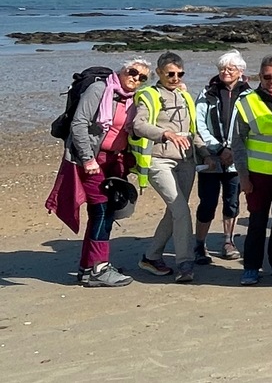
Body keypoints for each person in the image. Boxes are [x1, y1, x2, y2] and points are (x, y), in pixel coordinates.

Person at [54, 58, 151, 286]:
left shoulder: (133, 99)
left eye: (142, 77)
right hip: (92, 159)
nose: (136, 78)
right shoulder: (100, 89)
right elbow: (79, 123)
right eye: (133, 72)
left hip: (115, 161)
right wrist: (88, 159)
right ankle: (99, 268)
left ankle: (88, 268)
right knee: (101, 210)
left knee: (107, 211)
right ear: (122, 70)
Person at [132, 52, 206, 283]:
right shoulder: (149, 95)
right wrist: (165, 134)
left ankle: (151, 257)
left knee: (175, 211)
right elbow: (138, 125)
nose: (175, 78)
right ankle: (185, 263)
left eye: (179, 74)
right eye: (170, 74)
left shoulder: (185, 96)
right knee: (181, 210)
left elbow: (193, 128)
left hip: (186, 160)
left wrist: (204, 152)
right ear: (160, 73)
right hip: (159, 160)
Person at [233, 55, 272, 285]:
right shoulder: (246, 101)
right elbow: (237, 142)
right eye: (267, 76)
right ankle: (251, 266)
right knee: (257, 222)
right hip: (257, 175)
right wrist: (243, 177)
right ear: (259, 77)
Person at [192, 50, 251, 265]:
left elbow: (249, 126)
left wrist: (234, 151)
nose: (226, 72)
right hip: (211, 158)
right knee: (207, 202)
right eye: (222, 68)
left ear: (240, 71)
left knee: (232, 202)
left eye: (230, 68)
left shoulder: (249, 95)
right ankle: (199, 244)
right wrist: (217, 149)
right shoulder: (207, 93)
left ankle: (228, 241)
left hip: (236, 160)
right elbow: (199, 124)